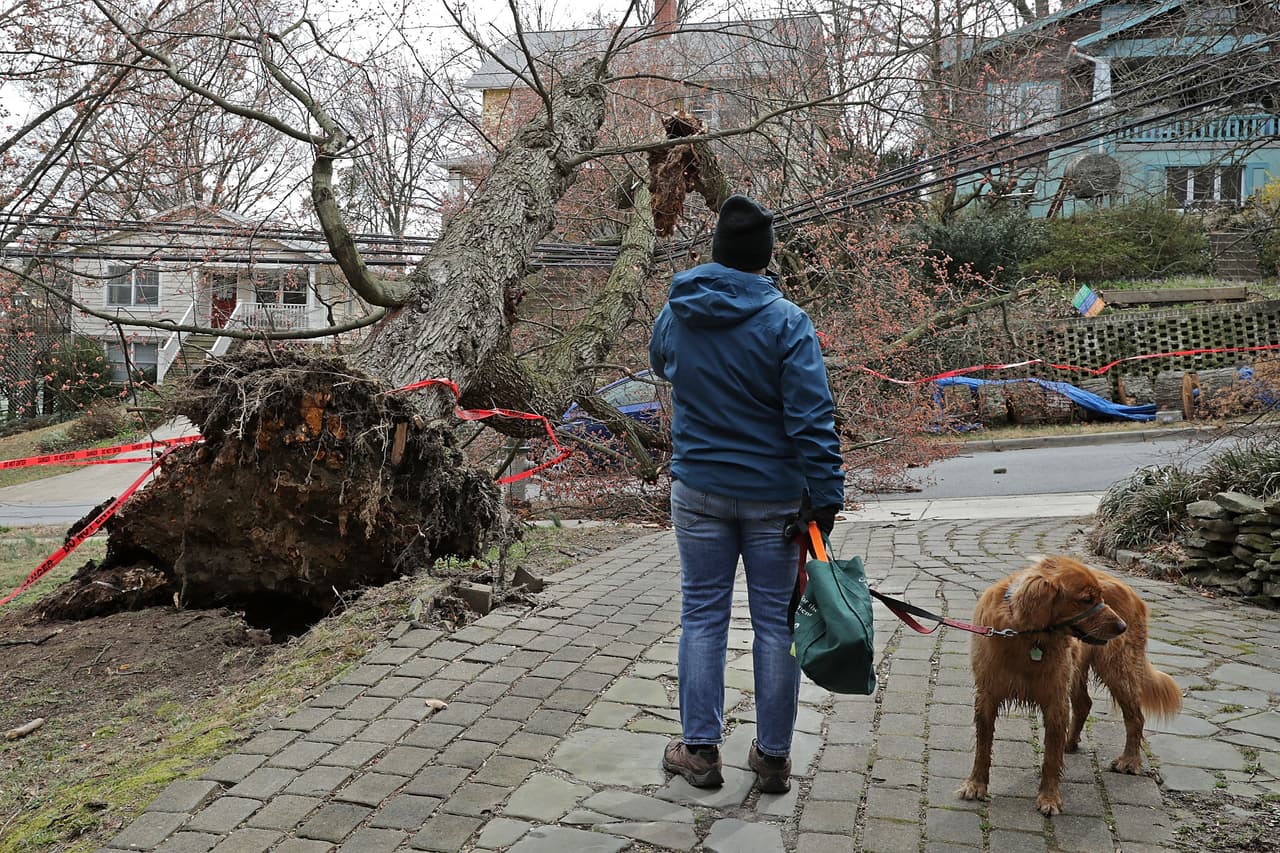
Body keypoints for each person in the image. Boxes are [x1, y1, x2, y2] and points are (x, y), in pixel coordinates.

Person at [649, 194, 845, 794]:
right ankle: (774, 758)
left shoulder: (678, 312)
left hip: (700, 489)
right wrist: (827, 495)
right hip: (776, 501)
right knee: (774, 625)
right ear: (764, 259)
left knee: (702, 616)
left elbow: (661, 365)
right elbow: (813, 417)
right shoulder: (786, 320)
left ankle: (700, 752)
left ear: (716, 253)